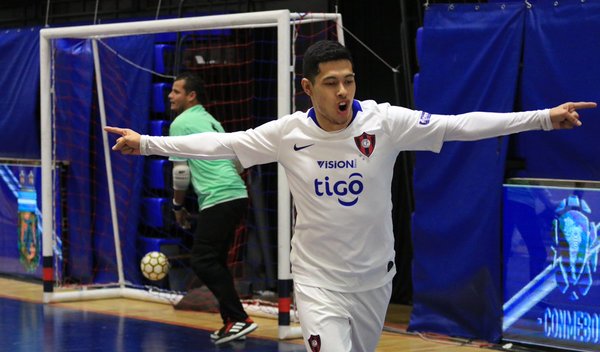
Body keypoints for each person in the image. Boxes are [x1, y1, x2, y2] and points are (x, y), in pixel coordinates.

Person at [106, 40, 596, 352]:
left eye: (349, 80)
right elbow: (223, 143)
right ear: (307, 88)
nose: (343, 91)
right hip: (318, 283)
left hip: (375, 279)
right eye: (331, 83)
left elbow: (459, 126)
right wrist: (147, 142)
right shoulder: (287, 133)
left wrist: (542, 117)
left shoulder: (384, 121)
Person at [165, 72, 257, 345]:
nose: (170, 95)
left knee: (202, 260)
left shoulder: (181, 123)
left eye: (176, 91)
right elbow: (239, 163)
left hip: (219, 197)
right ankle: (232, 320)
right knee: (214, 260)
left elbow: (180, 172)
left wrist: (177, 205)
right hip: (235, 195)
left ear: (191, 96)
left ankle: (239, 318)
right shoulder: (211, 121)